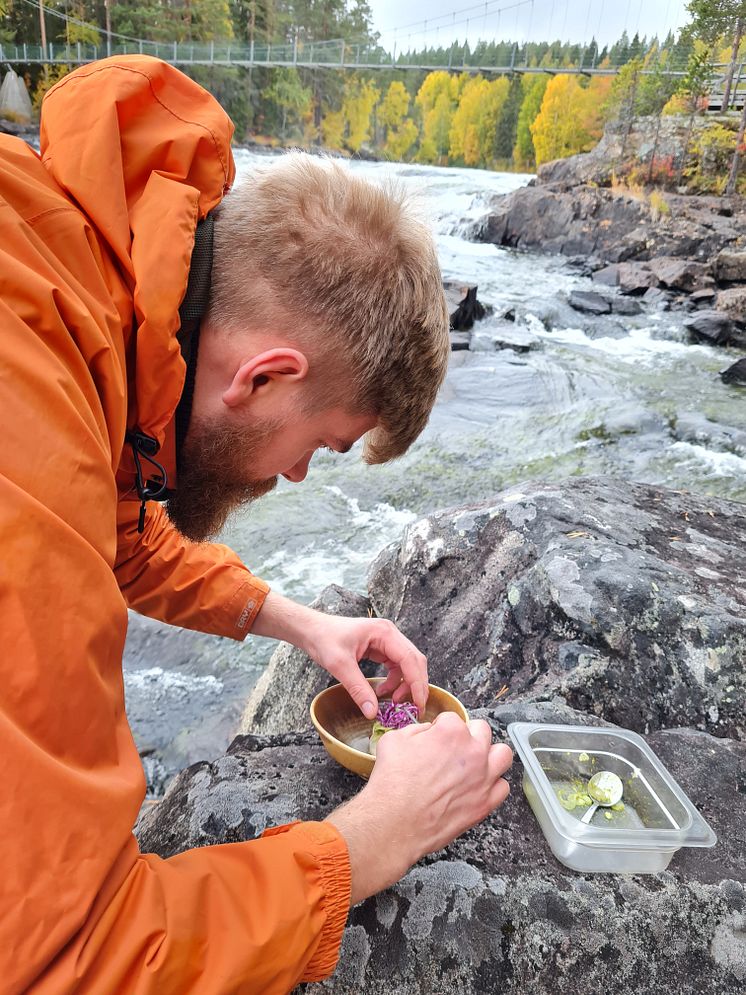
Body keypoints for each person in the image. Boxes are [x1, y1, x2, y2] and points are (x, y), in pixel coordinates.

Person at [0, 56, 513, 994]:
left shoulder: (65, 277)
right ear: (265, 376)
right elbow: (65, 958)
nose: (299, 475)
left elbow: (108, 529)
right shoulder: (25, 416)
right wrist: (367, 841)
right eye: (323, 441)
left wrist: (296, 621)